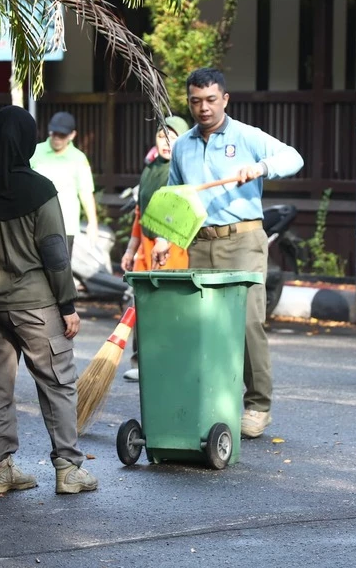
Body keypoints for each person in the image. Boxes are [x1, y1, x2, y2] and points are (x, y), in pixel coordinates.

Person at [152, 67, 304, 439]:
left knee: (247, 322)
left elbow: (293, 157)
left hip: (244, 240)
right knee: (203, 326)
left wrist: (260, 167)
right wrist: (163, 238)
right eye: (195, 101)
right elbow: (177, 196)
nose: (203, 108)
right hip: (200, 242)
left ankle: (257, 406)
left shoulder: (246, 136)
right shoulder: (184, 145)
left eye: (210, 100)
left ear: (225, 99)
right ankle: (212, 402)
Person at [0, 106, 97, 496]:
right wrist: (67, 306)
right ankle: (67, 469)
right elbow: (55, 253)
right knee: (57, 382)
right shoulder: (39, 190)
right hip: (35, 305)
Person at [119, 115, 191, 382]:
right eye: (162, 136)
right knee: (144, 303)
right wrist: (131, 248)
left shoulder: (183, 168)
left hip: (173, 246)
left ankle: (169, 359)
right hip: (148, 245)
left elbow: (186, 209)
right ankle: (143, 361)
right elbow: (140, 212)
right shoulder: (150, 167)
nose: (166, 142)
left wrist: (169, 238)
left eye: (172, 136)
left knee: (169, 304)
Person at [29, 111, 97, 253]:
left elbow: (85, 191)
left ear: (72, 135)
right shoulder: (34, 152)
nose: (57, 138)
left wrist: (93, 222)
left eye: (62, 135)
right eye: (54, 133)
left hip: (66, 226)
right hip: (35, 224)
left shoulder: (78, 158)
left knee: (61, 271)